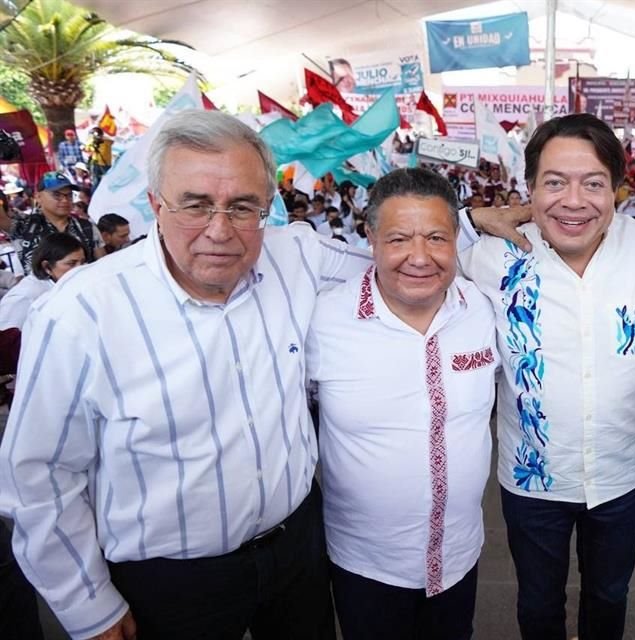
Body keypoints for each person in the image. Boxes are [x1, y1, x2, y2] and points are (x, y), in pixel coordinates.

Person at [0, 109, 376, 640]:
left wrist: (475, 226)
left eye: (243, 207)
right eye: (195, 205)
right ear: (155, 204)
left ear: (266, 208)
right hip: (168, 587)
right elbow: (38, 473)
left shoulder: (296, 256)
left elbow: (400, 265)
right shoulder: (81, 310)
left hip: (298, 554)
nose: (220, 231)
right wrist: (88, 605)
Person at [459, 113, 635, 639]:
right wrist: (473, 216)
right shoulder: (490, 256)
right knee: (538, 602)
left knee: (609, 596)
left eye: (593, 184)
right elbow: (401, 244)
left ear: (617, 190)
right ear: (529, 188)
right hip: (531, 478)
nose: (573, 201)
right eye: (554, 183)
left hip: (620, 473)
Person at [307, 168, 498, 640]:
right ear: (370, 238)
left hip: (458, 558)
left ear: (457, 237)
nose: (419, 257)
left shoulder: (484, 308)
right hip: (365, 567)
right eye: (398, 238)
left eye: (436, 237)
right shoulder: (322, 319)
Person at [12, 171, 103, 268]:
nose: (65, 200)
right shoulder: (23, 227)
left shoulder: (87, 227)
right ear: (38, 197)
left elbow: (102, 265)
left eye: (69, 195)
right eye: (57, 195)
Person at [0, 232, 85, 330]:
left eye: (82, 262)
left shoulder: (67, 285)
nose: (80, 268)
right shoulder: (26, 295)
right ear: (47, 267)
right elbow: (7, 338)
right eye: (71, 263)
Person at [85, 126, 114, 191]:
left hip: (104, 164)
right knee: (95, 182)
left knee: (109, 181)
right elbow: (87, 149)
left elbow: (102, 152)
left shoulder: (105, 142)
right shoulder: (93, 141)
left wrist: (94, 147)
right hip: (96, 163)